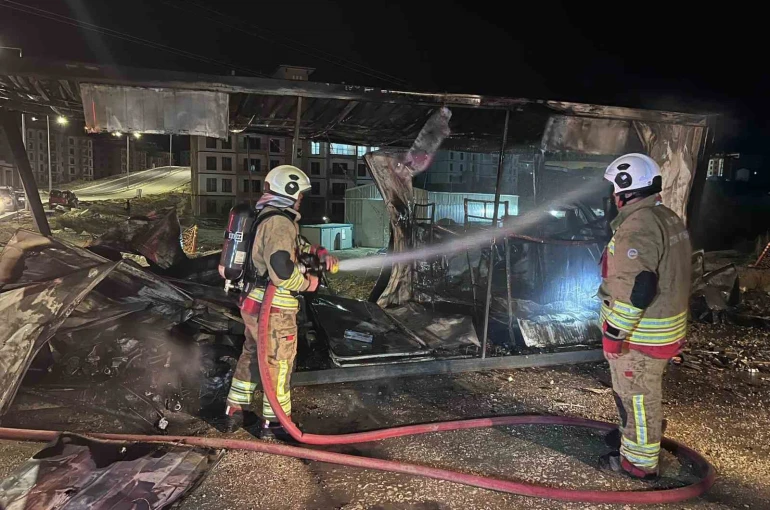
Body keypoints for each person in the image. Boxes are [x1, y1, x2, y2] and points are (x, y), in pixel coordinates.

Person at [223, 165, 338, 437]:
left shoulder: (267, 216)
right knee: (280, 362)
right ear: (291, 191)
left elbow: (290, 245)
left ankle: (234, 411)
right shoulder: (281, 222)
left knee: (253, 354)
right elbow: (281, 269)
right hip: (274, 309)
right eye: (300, 194)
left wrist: (317, 251)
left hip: (254, 302)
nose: (301, 199)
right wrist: (308, 283)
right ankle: (275, 423)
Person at [598, 153, 691, 479]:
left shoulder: (636, 227)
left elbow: (637, 288)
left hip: (639, 337)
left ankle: (637, 463)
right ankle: (633, 439)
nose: (612, 195)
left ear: (625, 189)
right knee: (642, 391)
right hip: (664, 329)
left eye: (614, 188)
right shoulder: (666, 217)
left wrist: (614, 334)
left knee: (637, 396)